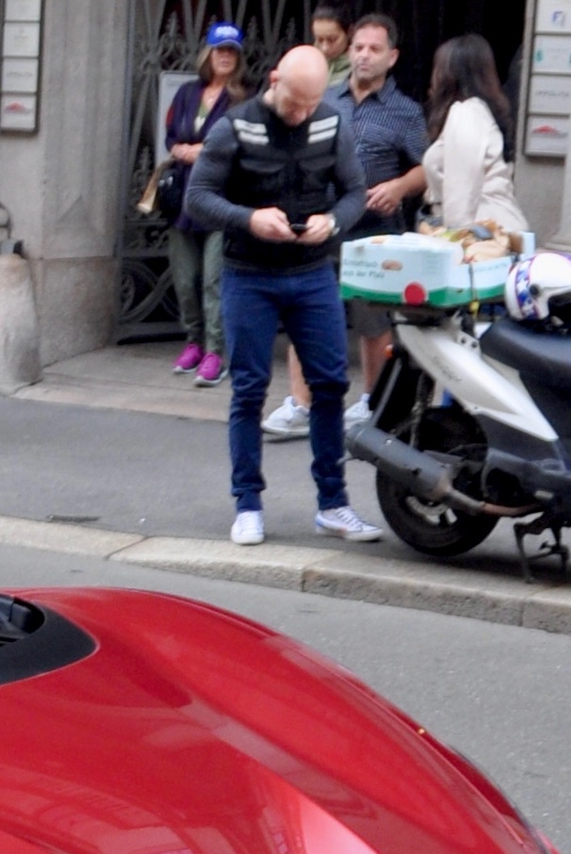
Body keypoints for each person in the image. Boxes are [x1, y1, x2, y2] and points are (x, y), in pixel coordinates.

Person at [185, 43, 382, 546]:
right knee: (249, 390)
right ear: (274, 80)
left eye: (311, 104)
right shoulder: (234, 126)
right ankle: (248, 504)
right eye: (294, 102)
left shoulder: (329, 122)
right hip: (248, 273)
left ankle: (333, 505)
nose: (301, 114)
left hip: (312, 272)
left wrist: (332, 221)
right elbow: (199, 198)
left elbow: (356, 193)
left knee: (331, 386)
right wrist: (248, 218)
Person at [266, 11, 426, 436]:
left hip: (375, 230)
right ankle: (301, 403)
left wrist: (398, 186)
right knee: (305, 313)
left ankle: (372, 404)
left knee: (374, 323)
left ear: (392, 57)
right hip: (319, 224)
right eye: (358, 47)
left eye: (374, 49)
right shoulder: (325, 99)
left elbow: (427, 169)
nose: (364, 56)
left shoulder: (405, 112)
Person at [163, 22, 248, 388]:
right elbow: (169, 134)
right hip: (182, 199)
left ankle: (216, 351)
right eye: (219, 50)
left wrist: (204, 153)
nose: (225, 56)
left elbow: (244, 145)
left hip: (220, 198)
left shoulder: (244, 99)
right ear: (208, 55)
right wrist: (178, 149)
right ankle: (193, 341)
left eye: (231, 51)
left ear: (239, 58)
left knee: (214, 280)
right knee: (185, 278)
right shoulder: (186, 93)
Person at [423, 34, 528, 234]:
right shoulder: (478, 113)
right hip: (491, 229)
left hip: (481, 236)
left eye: (437, 67)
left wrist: (454, 242)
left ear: (448, 74)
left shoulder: (465, 113)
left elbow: (460, 194)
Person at [312, 5, 353, 85]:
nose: (325, 48)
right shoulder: (309, 63)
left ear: (349, 32)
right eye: (319, 40)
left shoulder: (358, 70)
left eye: (332, 40)